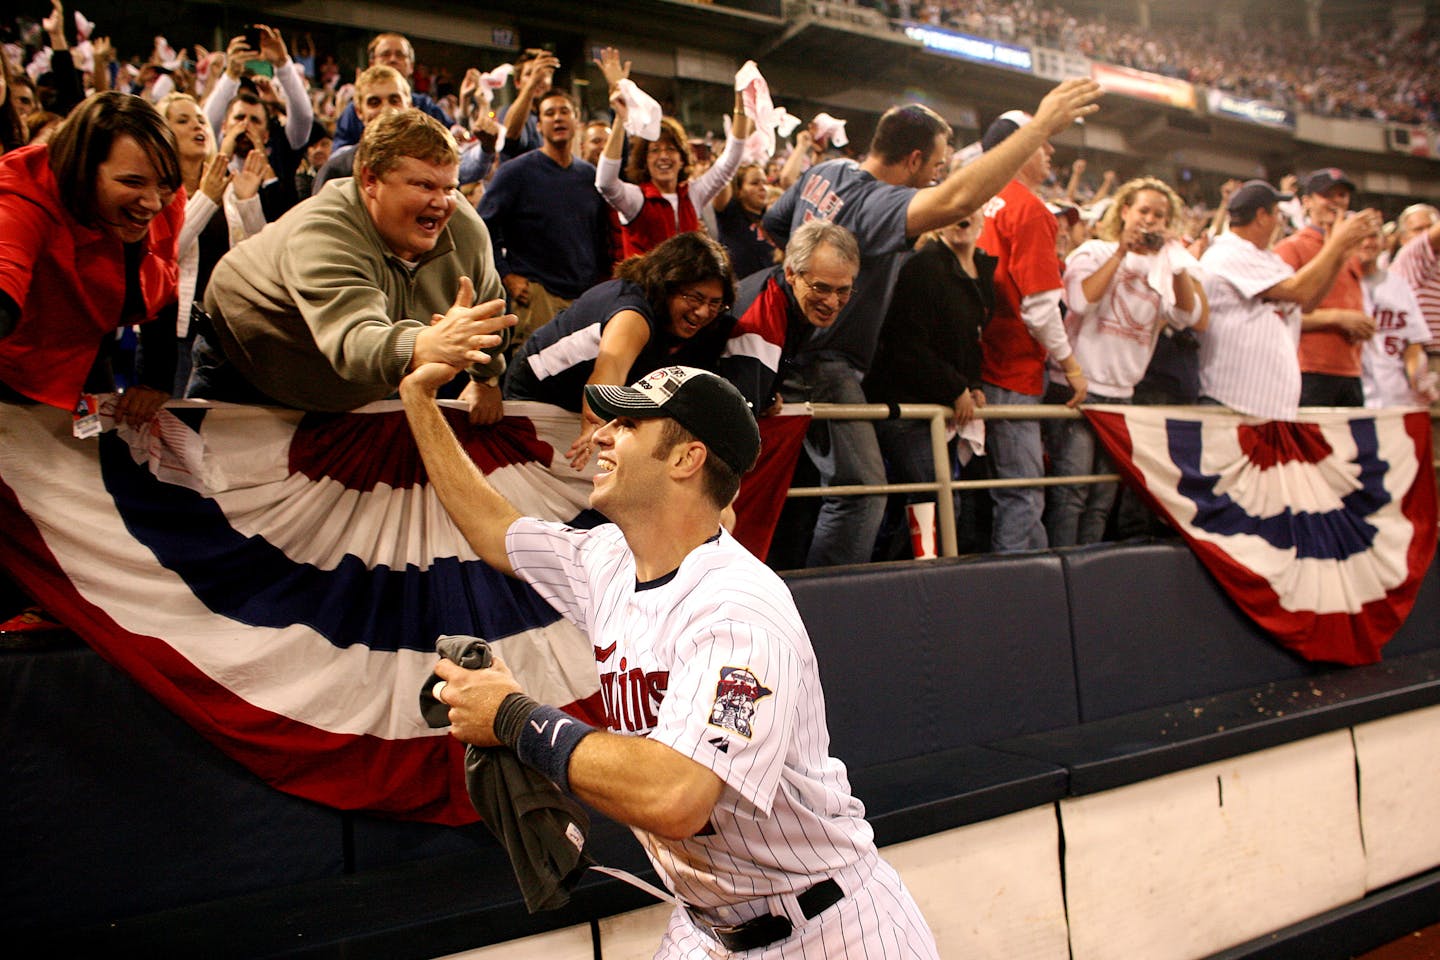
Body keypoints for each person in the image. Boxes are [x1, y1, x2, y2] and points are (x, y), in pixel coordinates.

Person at [402, 362, 941, 959]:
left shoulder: (738, 610)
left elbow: (676, 797)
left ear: (686, 459)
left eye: (629, 424)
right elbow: (494, 528)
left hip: (826, 928)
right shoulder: (607, 557)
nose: (603, 433)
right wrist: (419, 403)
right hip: (704, 927)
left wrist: (513, 718)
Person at [762, 79, 1103, 566]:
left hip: (788, 349)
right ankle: (829, 600)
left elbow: (776, 227)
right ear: (915, 159)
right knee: (862, 493)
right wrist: (1042, 126)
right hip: (823, 361)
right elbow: (956, 202)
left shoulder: (830, 170)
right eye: (937, 167)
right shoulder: (876, 203)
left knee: (808, 492)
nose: (935, 178)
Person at [189, 109, 512, 421]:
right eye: (424, 185)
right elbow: (355, 342)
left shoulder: (465, 229)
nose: (442, 203)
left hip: (351, 395)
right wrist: (423, 343)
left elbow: (486, 315)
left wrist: (487, 379)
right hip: (244, 373)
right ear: (371, 180)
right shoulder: (325, 229)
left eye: (449, 187)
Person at [0, 90, 183, 428]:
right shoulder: (25, 192)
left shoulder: (164, 193)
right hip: (13, 379)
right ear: (84, 169)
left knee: (89, 458)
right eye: (132, 182)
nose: (154, 203)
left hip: (90, 371)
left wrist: (156, 381)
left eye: (164, 185)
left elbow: (165, 287)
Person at [1046, 176, 1207, 546]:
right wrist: (1121, 252)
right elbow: (1081, 301)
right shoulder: (1093, 252)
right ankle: (1061, 573)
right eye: (1144, 211)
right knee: (1071, 497)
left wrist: (1178, 264)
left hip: (1122, 397)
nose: (1150, 220)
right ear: (1124, 212)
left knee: (1102, 501)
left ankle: (1087, 572)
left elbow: (1189, 316)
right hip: (1078, 389)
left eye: (1160, 215)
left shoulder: (1166, 267)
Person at [504, 232, 736, 467]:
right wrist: (596, 420)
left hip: (575, 406)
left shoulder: (667, 315)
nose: (704, 312)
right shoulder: (633, 316)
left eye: (715, 303)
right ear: (667, 284)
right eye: (694, 298)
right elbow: (610, 370)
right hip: (534, 401)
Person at [972, 108, 1089, 554]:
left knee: (997, 493)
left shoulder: (980, 196)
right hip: (1011, 367)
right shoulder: (1030, 209)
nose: (1051, 151)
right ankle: (1016, 597)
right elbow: (1040, 309)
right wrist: (1073, 367)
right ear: (1020, 148)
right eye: (1043, 142)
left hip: (977, 362)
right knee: (1021, 493)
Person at [864, 214, 995, 559]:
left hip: (941, 407)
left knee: (940, 500)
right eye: (956, 208)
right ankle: (909, 578)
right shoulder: (922, 266)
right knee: (934, 498)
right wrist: (955, 387)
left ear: (983, 214)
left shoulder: (981, 267)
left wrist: (972, 384)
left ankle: (924, 576)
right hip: (908, 405)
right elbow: (905, 343)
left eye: (970, 208)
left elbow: (967, 340)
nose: (962, 216)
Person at [1197, 180, 1378, 420]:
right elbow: (1299, 290)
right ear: (1261, 216)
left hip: (1261, 404)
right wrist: (1336, 245)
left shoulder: (1265, 258)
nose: (1279, 220)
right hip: (1231, 400)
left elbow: (1308, 301)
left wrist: (1340, 254)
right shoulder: (1227, 253)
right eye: (1277, 214)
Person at [478, 88, 611, 355]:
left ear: (577, 122)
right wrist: (505, 274)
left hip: (583, 300)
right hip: (537, 297)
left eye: (565, 112)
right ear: (539, 125)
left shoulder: (591, 177)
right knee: (531, 385)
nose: (558, 118)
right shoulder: (515, 172)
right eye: (549, 113)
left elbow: (600, 236)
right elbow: (482, 227)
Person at [593, 47, 753, 260]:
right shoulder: (636, 199)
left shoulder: (693, 195)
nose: (663, 156)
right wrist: (621, 118)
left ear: (682, 158)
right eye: (654, 150)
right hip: (643, 292)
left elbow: (730, 161)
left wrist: (741, 104)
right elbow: (605, 182)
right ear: (644, 161)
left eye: (671, 149)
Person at [155, 91, 267, 394]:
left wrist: (248, 201)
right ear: (163, 133)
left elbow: (260, 256)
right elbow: (165, 253)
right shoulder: (157, 188)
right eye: (183, 120)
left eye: (201, 120)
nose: (197, 126)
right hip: (175, 334)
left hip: (223, 331)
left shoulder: (227, 185)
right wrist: (205, 198)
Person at [720, 219, 861, 417]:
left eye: (843, 290)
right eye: (821, 288)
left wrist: (768, 396)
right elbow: (737, 417)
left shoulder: (787, 294)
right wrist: (762, 399)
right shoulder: (761, 323)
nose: (831, 302)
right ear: (791, 273)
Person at [1273, 168, 1375, 407]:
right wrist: (1338, 318)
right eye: (1329, 195)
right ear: (1307, 202)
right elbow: (1279, 313)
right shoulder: (1291, 247)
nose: (1337, 202)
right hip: (1309, 369)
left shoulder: (1351, 251)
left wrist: (1361, 324)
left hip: (1350, 369)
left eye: (1343, 195)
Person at [202, 25, 315, 220]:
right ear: (223, 126)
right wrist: (230, 75)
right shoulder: (213, 150)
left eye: (255, 120)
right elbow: (205, 122)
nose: (245, 125)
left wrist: (282, 65)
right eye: (238, 118)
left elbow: (304, 117)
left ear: (266, 134)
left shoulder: (281, 150)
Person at [331, 32, 454, 151]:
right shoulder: (353, 110)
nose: (393, 59)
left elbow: (453, 139)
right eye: (385, 54)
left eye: (400, 55)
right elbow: (338, 156)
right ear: (372, 63)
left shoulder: (425, 106)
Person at [1357, 225, 1437, 408]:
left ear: (1383, 241)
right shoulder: (1335, 282)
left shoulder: (1398, 284)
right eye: (1361, 237)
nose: (1368, 243)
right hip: (1353, 394)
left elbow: (1413, 342)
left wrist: (1417, 380)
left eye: (1374, 236)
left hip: (1397, 396)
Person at [312, 65, 412, 193]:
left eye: (394, 100)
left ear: (409, 105)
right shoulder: (335, 171)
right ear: (359, 111)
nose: (386, 109)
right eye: (374, 102)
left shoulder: (429, 165)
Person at [712, 162, 779, 280]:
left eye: (764, 182)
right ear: (739, 191)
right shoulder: (731, 214)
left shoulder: (772, 217)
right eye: (754, 183)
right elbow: (722, 188)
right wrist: (731, 161)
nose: (762, 187)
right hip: (741, 291)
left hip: (770, 291)